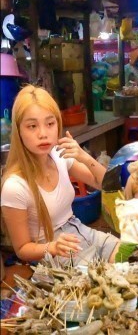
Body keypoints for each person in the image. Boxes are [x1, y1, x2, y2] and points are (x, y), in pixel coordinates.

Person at [1, 85, 120, 264]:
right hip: (54, 252)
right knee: (111, 283)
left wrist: (84, 156)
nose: (43, 134)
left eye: (50, 123)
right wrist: (53, 247)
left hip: (80, 232)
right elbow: (22, 249)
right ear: (19, 131)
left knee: (132, 255)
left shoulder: (58, 154)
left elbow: (105, 184)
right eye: (32, 126)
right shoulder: (15, 186)